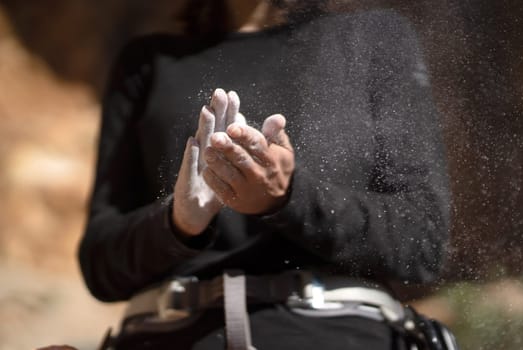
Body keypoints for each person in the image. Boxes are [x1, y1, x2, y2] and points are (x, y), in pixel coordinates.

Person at [78, 0, 451, 349]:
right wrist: (177, 224)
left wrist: (289, 197)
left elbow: (423, 241)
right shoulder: (149, 62)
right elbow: (101, 266)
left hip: (334, 332)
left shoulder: (372, 40)